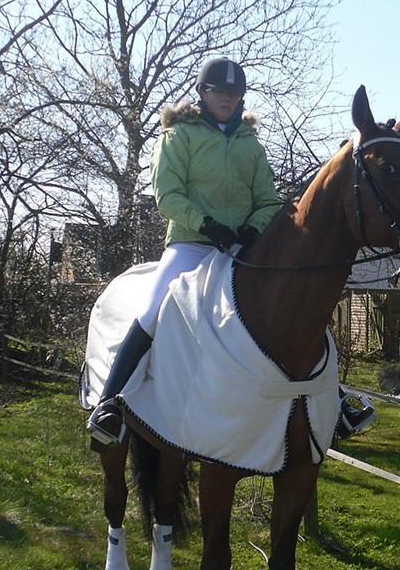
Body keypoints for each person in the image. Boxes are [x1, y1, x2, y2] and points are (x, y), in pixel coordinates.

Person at [87, 57, 375, 445]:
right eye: (218, 91)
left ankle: (337, 402)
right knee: (153, 309)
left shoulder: (249, 144)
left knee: (294, 309)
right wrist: (206, 225)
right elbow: (167, 195)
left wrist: (251, 228)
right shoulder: (178, 136)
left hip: (243, 245)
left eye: (233, 92)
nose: (226, 97)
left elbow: (267, 200)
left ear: (240, 98)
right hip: (190, 242)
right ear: (203, 93)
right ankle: (109, 405)